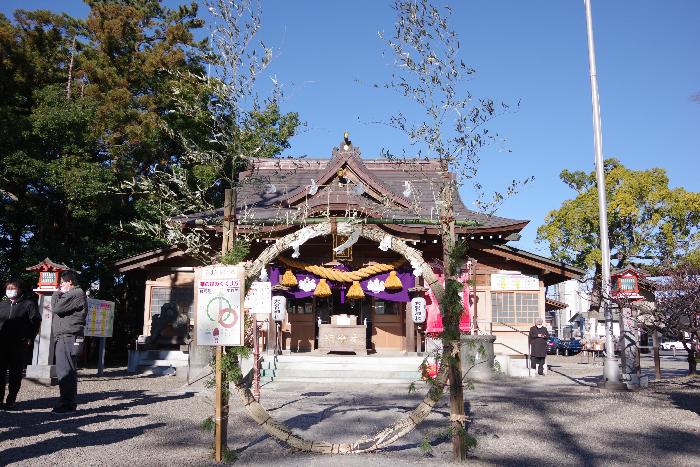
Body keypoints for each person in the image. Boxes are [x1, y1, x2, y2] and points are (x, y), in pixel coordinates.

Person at [0, 279, 41, 409]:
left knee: (15, 373)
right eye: (8, 288)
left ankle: (11, 399)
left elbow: (35, 322)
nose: (10, 291)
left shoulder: (29, 304)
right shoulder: (2, 304)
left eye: (13, 288)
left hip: (19, 343)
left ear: (20, 290)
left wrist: (30, 337)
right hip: (1, 343)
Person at [50, 271, 87, 414]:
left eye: (62, 283)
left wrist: (56, 293)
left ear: (69, 282)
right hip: (66, 336)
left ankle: (67, 404)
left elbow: (56, 308)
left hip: (68, 336)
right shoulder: (75, 294)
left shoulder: (75, 293)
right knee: (66, 370)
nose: (60, 286)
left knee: (65, 371)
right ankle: (67, 403)